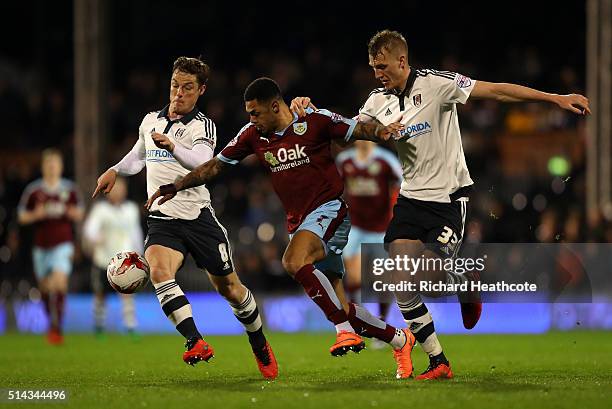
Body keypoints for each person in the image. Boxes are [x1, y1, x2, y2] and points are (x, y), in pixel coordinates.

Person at [291, 29, 591, 380]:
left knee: (429, 277)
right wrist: (312, 113)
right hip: (410, 200)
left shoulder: (438, 84)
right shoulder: (376, 101)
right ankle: (438, 361)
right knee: (402, 279)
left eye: (382, 66)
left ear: (402, 61)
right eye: (373, 67)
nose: (377, 74)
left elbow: (494, 90)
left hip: (449, 200)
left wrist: (553, 98)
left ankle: (464, 279)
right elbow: (347, 134)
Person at [147, 77, 420, 380]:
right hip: (300, 223)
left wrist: (384, 131)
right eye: (248, 114)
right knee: (343, 305)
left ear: (274, 106)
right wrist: (177, 185)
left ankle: (342, 331)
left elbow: (358, 129)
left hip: (331, 211)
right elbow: (215, 166)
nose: (251, 119)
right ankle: (400, 339)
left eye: (255, 113)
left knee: (293, 261)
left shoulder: (314, 121)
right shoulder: (253, 135)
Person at [93, 57, 277, 379]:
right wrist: (115, 169)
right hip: (163, 219)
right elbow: (139, 156)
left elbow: (203, 163)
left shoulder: (201, 125)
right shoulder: (150, 120)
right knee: (159, 270)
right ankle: (195, 341)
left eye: (188, 87)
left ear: (201, 90)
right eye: (175, 85)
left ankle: (258, 340)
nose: (179, 93)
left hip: (198, 218)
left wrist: (173, 144)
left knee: (230, 289)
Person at [336, 140, 402, 348]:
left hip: (381, 228)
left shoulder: (386, 160)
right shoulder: (344, 161)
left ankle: (381, 323)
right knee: (353, 277)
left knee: (382, 279)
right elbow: (336, 188)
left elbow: (403, 184)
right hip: (355, 226)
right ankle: (360, 324)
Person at [18, 148, 84, 344]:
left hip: (63, 244)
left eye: (55, 164)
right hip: (41, 246)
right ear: (43, 167)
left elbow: (80, 213)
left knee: (59, 282)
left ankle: (57, 328)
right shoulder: (34, 191)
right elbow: (21, 216)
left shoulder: (69, 189)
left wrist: (70, 212)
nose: (52, 167)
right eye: (49, 164)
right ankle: (51, 323)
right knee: (45, 288)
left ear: (61, 167)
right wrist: (34, 215)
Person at [83, 177, 142, 338]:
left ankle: (131, 327)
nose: (118, 191)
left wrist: (139, 254)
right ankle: (99, 326)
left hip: (124, 261)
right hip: (103, 259)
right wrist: (95, 238)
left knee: (127, 294)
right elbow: (90, 229)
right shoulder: (100, 209)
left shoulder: (131, 209)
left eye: (121, 188)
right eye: (115, 188)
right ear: (108, 191)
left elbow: (136, 233)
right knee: (100, 294)